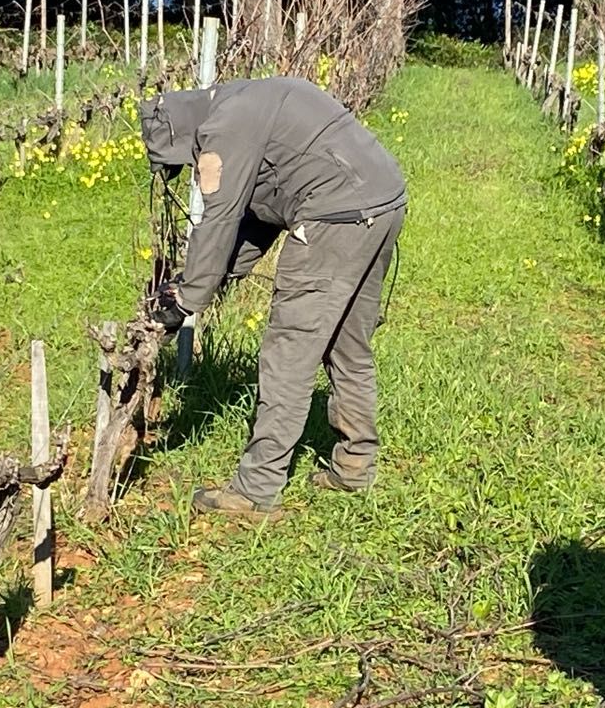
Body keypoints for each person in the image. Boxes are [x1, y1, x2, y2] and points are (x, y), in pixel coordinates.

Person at [141, 75, 407, 516]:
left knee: (288, 353)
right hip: (381, 202)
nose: (186, 165)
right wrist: (216, 276)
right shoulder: (241, 101)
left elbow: (220, 217)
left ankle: (256, 488)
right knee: (347, 344)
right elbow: (262, 213)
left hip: (334, 216)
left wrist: (187, 299)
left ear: (182, 136)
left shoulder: (222, 129)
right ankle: (356, 464)